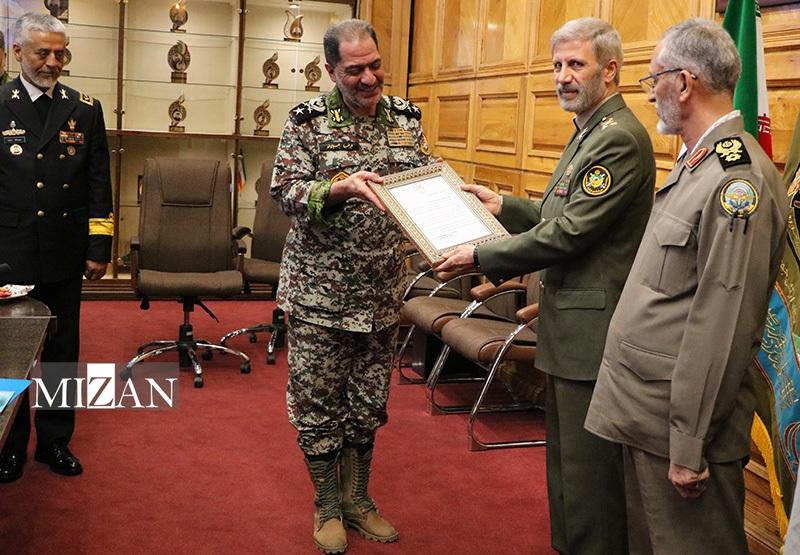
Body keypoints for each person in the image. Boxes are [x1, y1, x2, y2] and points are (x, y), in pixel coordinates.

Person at [432, 17, 655, 555]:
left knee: (589, 479)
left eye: (575, 64)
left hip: (591, 333)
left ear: (610, 70)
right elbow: (560, 215)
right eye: (557, 65)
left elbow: (570, 233)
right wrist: (503, 205)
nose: (561, 76)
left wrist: (479, 255)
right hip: (568, 326)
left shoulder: (617, 138)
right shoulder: (588, 131)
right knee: (568, 471)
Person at [584, 19, 789, 554]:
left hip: (677, 429)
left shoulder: (736, 181)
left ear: (683, 82)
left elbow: (722, 324)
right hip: (647, 415)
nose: (649, 92)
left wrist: (688, 442)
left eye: (653, 79)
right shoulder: (698, 164)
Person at [270, 19, 435, 554]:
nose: (368, 79)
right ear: (330, 70)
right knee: (318, 404)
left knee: (368, 403)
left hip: (382, 293)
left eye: (375, 66)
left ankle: (358, 499)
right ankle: (327, 505)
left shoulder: (406, 119)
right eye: (354, 70)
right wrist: (340, 189)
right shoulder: (308, 121)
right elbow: (286, 192)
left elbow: (425, 183)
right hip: (320, 295)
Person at [0, 13, 113, 482]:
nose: (52, 63)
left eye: (60, 53)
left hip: (65, 249)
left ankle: (54, 441)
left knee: (62, 350)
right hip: (9, 251)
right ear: (17, 53)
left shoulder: (84, 108)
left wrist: (99, 245)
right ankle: (9, 445)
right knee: (10, 353)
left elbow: (99, 181)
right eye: (42, 53)